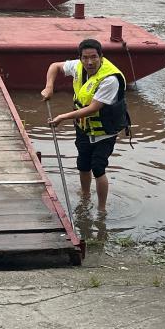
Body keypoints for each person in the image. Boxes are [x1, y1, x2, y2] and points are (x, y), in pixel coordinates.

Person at [41, 38, 129, 210]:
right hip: (83, 127)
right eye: (85, 58)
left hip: (105, 130)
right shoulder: (78, 66)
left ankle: (101, 209)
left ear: (101, 57)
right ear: (80, 58)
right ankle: (85, 195)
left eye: (94, 57)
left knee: (98, 168)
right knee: (83, 163)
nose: (90, 62)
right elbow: (55, 66)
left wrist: (63, 117)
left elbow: (94, 108)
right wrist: (49, 86)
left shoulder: (110, 79)